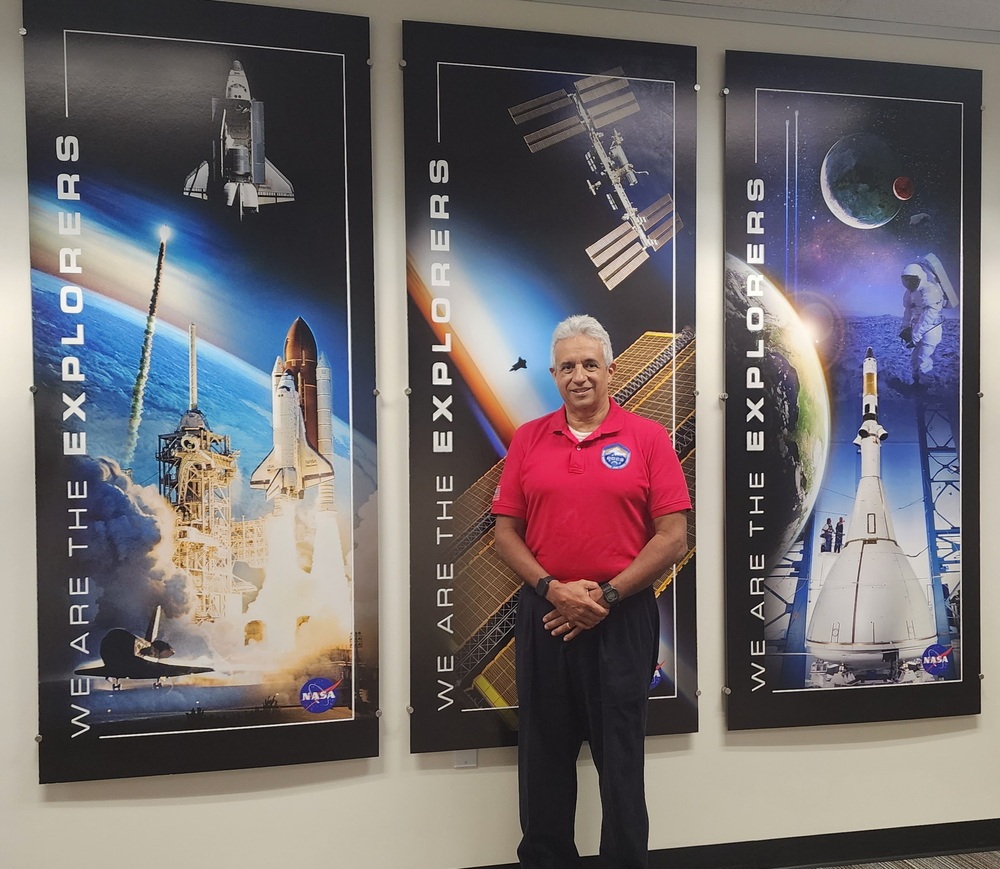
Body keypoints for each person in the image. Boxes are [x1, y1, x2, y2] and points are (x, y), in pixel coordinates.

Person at [492, 314, 690, 869]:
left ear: (611, 369)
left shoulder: (647, 438)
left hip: (622, 619)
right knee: (543, 762)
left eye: (589, 364)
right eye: (567, 367)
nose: (579, 376)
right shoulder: (529, 439)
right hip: (546, 616)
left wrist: (604, 597)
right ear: (554, 375)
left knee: (621, 763)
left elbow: (673, 536)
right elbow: (506, 532)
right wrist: (552, 589)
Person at [899, 261, 946, 384]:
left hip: (931, 329)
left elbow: (928, 316)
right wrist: (904, 328)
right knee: (914, 359)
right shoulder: (909, 293)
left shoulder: (930, 289)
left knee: (924, 360)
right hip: (917, 328)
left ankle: (927, 388)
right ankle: (916, 382)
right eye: (906, 280)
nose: (909, 283)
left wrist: (915, 335)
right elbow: (908, 312)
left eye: (912, 279)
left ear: (920, 277)